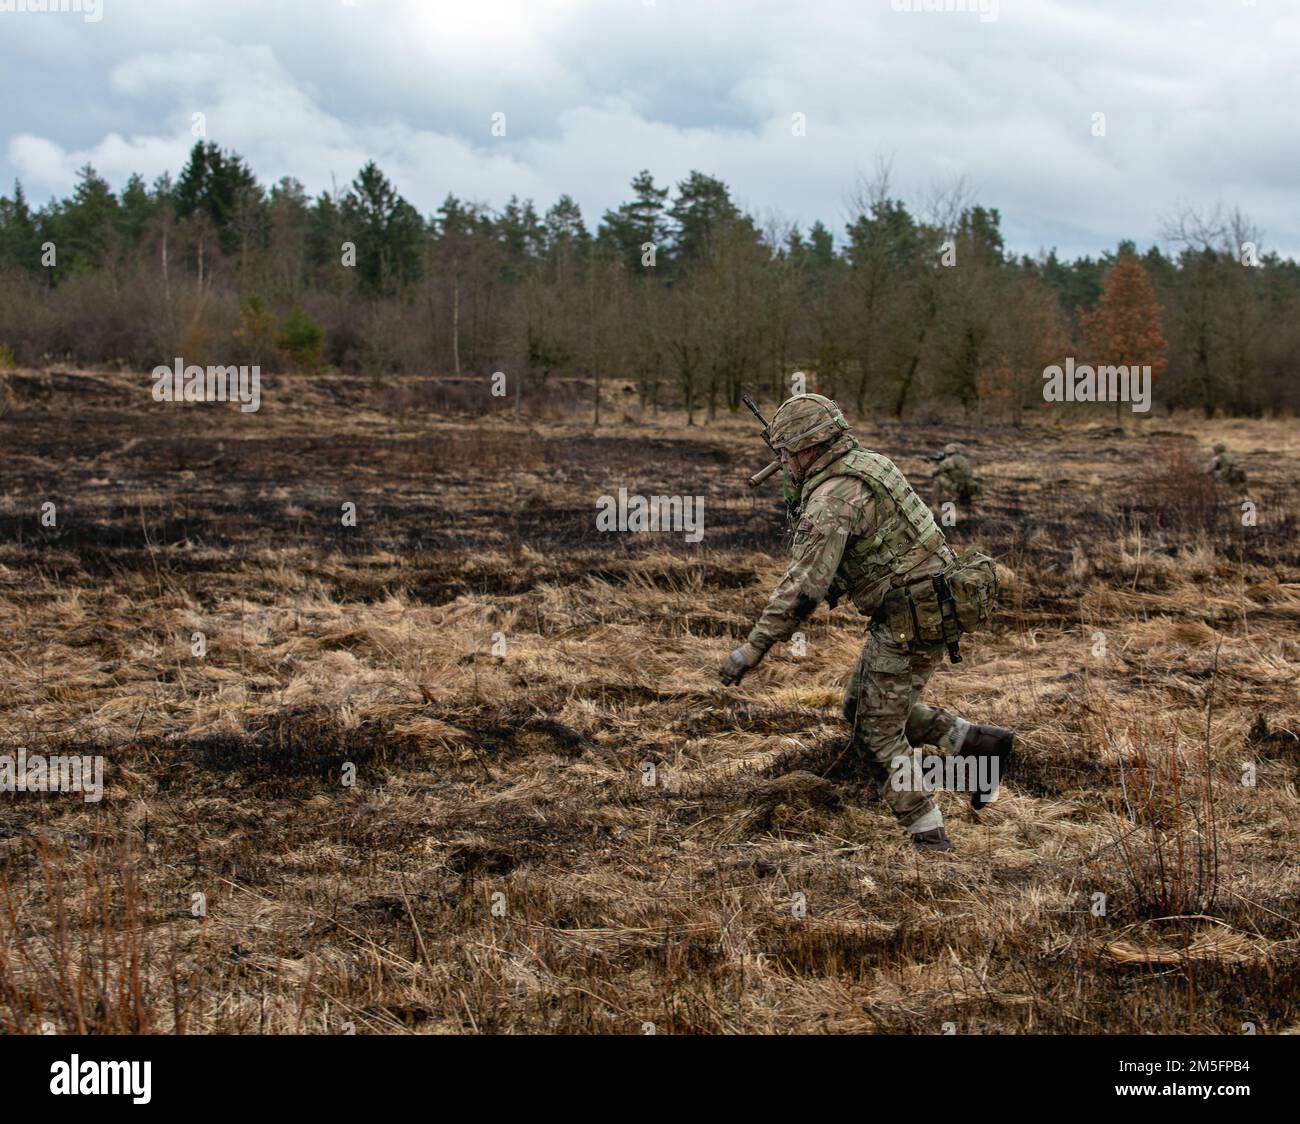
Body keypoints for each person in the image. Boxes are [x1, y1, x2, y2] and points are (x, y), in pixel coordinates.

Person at [719, 393, 1013, 852]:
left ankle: (929, 837)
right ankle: (978, 744)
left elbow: (803, 588)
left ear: (807, 449)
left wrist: (752, 649)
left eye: (785, 455)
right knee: (861, 709)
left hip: (911, 619)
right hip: (928, 606)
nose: (783, 465)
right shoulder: (867, 463)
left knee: (875, 738)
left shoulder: (833, 497)